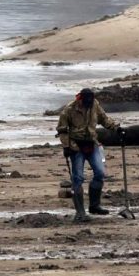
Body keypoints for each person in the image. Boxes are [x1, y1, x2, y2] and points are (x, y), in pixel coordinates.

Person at [56, 87, 117, 222]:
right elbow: (62, 130)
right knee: (77, 178)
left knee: (100, 173)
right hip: (76, 146)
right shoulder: (69, 110)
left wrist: (116, 128)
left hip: (92, 143)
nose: (89, 102)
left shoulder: (94, 104)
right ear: (80, 98)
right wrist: (66, 146)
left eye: (91, 99)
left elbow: (104, 119)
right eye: (87, 100)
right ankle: (80, 212)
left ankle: (94, 206)